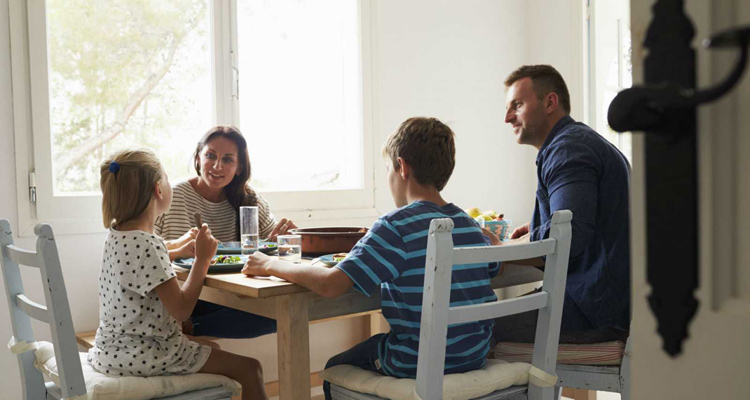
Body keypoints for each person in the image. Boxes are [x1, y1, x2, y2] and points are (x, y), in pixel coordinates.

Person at [241, 117, 501, 400]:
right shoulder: (469, 224)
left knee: (334, 367)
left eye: (388, 169)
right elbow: (495, 265)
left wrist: (270, 264)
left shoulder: (395, 225)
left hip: (417, 361)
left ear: (401, 167)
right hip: (475, 354)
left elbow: (331, 285)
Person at [89, 149, 268, 400]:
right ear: (158, 190)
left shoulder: (118, 234)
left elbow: (141, 265)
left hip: (112, 350)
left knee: (212, 347)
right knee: (251, 368)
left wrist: (176, 249)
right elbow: (182, 309)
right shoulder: (149, 245)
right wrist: (203, 260)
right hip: (147, 354)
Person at [488, 65, 630, 344]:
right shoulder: (577, 142)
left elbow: (569, 237)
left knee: (469, 333)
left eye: (517, 105)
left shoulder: (567, 150)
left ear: (550, 102)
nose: (507, 117)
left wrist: (500, 250)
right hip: (608, 303)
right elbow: (582, 224)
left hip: (594, 310)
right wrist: (536, 229)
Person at [155, 125, 294, 338]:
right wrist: (180, 245)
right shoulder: (170, 196)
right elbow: (142, 248)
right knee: (281, 316)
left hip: (231, 295)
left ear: (239, 167)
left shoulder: (248, 199)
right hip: (181, 297)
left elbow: (270, 242)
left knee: (284, 315)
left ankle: (193, 327)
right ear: (198, 158)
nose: (217, 166)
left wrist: (282, 239)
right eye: (210, 155)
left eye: (228, 159)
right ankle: (187, 325)